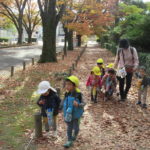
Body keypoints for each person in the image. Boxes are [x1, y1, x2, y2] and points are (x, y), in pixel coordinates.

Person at [62, 75, 85, 148]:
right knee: (69, 127)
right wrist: (60, 107)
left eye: (69, 84)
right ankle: (69, 140)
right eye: (66, 84)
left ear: (74, 86)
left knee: (76, 128)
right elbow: (63, 102)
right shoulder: (66, 93)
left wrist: (78, 104)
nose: (67, 86)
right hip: (68, 114)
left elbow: (84, 103)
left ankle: (75, 135)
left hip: (76, 115)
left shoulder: (79, 95)